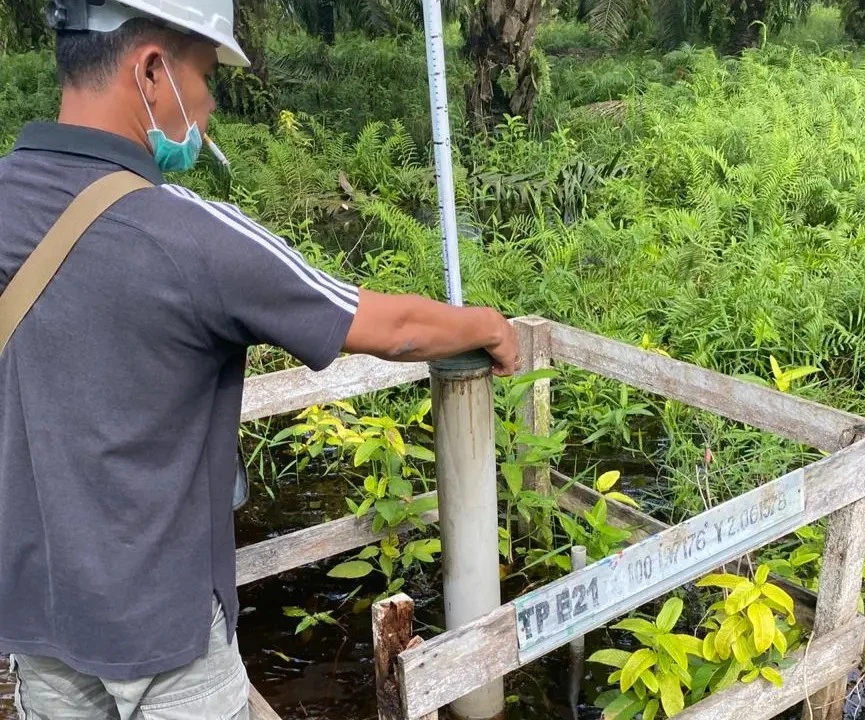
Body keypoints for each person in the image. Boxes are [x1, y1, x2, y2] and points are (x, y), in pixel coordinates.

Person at [0, 1, 519, 717]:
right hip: (168, 636)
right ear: (153, 70)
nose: (209, 105)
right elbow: (388, 326)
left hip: (34, 620)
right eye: (206, 74)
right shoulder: (188, 233)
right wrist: (487, 325)